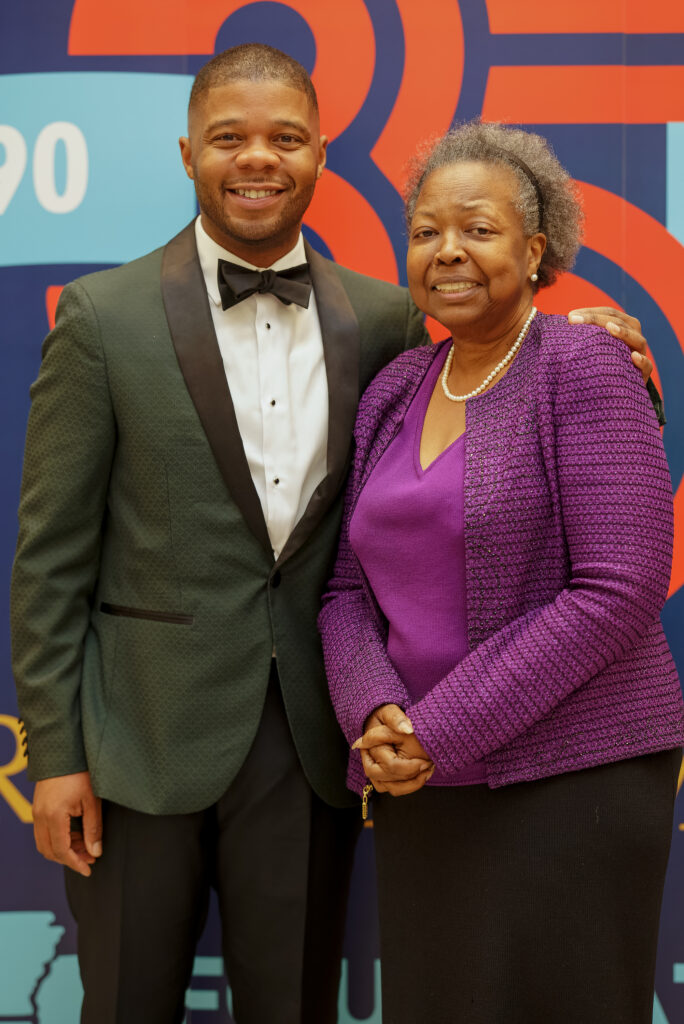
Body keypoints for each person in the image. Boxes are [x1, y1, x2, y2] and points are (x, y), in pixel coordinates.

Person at [10, 45, 656, 1024]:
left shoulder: (389, 321)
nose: (256, 158)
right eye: (229, 137)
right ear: (187, 153)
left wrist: (603, 337)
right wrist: (56, 753)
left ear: (320, 155)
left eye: (285, 138)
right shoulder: (105, 316)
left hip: (315, 743)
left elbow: (507, 378)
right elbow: (50, 557)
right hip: (139, 738)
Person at [318, 121, 684, 1024]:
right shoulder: (396, 387)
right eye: (426, 231)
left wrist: (438, 728)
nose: (447, 250)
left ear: (535, 249)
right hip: (419, 784)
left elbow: (620, 589)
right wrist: (374, 714)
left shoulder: (587, 365)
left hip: (572, 781)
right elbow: (345, 592)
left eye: (478, 229)